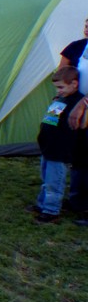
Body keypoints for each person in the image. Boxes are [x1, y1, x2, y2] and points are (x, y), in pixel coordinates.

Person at [32, 66, 82, 223]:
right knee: (46, 179)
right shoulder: (59, 100)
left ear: (74, 84)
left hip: (59, 152)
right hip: (48, 149)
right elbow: (49, 121)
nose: (58, 90)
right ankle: (42, 204)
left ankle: (51, 211)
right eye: (56, 88)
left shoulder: (77, 103)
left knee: (55, 182)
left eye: (61, 87)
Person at [60, 18, 88, 214]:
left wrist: (83, 104)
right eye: (86, 23)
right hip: (76, 106)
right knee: (79, 154)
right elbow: (62, 73)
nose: (87, 27)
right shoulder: (78, 47)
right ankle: (77, 201)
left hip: (83, 106)